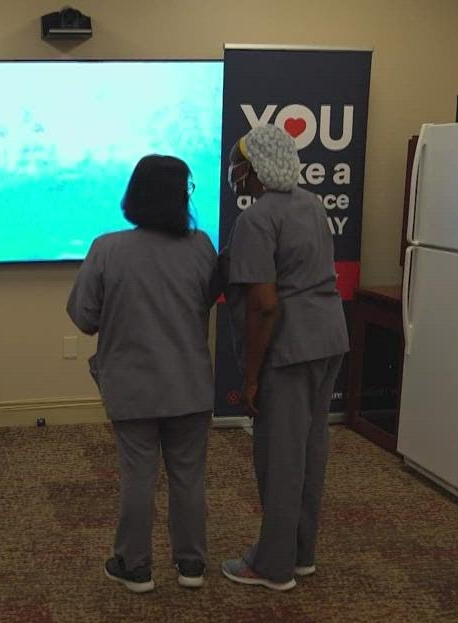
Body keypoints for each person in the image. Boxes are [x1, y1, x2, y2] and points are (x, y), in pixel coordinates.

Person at [67, 155, 221, 594]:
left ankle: (135, 566)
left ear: (133, 195)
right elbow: (205, 301)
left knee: (138, 475)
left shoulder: (107, 248)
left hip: (131, 385)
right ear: (182, 196)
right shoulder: (202, 246)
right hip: (190, 384)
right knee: (189, 475)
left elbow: (84, 318)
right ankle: (191, 565)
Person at [219, 125, 350, 591]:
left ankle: (272, 566)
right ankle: (300, 554)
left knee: (279, 457)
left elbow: (264, 305)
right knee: (311, 450)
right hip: (330, 339)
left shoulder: (255, 221)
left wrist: (251, 377)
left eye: (239, 164)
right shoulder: (313, 204)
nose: (233, 173)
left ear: (254, 169)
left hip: (291, 349)